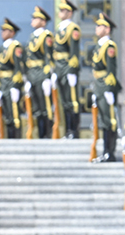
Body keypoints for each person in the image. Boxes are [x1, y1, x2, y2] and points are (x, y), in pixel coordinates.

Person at [91, 12, 120, 162]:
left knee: (110, 121)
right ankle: (105, 151)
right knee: (103, 121)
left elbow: (111, 69)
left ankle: (111, 152)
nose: (96, 28)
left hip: (106, 86)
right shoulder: (99, 46)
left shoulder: (109, 46)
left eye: (99, 26)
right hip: (99, 85)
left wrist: (109, 88)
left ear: (107, 29)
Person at [53, 0, 82, 138]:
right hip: (59, 67)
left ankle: (74, 131)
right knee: (64, 101)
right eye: (60, 10)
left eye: (63, 10)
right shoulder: (60, 28)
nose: (60, 13)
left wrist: (72, 70)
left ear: (69, 12)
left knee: (72, 101)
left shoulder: (72, 28)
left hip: (68, 67)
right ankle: (67, 130)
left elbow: (74, 51)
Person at [25, 7, 54, 138]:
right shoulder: (32, 37)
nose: (32, 20)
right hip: (33, 74)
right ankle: (40, 133)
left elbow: (49, 57)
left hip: (42, 73)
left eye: (35, 18)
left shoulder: (46, 36)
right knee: (36, 106)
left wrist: (48, 76)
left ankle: (47, 133)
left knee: (45, 105)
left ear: (43, 21)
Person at [0, 18, 25, 139]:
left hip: (12, 83)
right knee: (7, 114)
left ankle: (16, 138)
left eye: (6, 30)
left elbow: (18, 67)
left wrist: (16, 86)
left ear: (12, 32)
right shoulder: (2, 48)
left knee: (14, 114)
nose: (3, 32)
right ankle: (9, 137)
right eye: (2, 30)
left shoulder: (15, 46)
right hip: (3, 83)